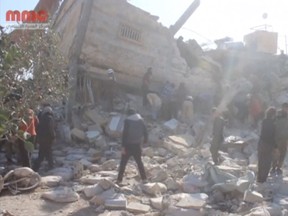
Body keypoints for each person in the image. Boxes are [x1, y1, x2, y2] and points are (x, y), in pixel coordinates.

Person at [117, 108, 148, 184]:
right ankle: (144, 179)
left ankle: (119, 180)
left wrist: (123, 147)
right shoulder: (141, 120)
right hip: (137, 144)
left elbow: (125, 134)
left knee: (123, 163)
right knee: (139, 162)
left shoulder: (127, 121)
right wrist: (144, 142)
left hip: (128, 145)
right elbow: (146, 132)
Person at [257, 107, 276, 183]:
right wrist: (275, 147)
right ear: (273, 115)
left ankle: (259, 178)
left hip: (261, 143)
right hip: (268, 145)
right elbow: (273, 136)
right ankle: (263, 179)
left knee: (261, 161)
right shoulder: (273, 124)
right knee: (267, 162)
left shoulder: (264, 121)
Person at [33, 106, 55, 171]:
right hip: (48, 138)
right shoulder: (50, 118)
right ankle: (37, 167)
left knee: (45, 152)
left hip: (41, 138)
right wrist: (53, 136)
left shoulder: (41, 118)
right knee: (45, 153)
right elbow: (51, 128)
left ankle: (50, 165)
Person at [271, 103, 288, 175]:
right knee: (275, 153)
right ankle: (273, 167)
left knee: (283, 153)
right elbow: (273, 125)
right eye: (285, 108)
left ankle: (279, 167)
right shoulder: (277, 115)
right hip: (277, 137)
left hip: (285, 138)